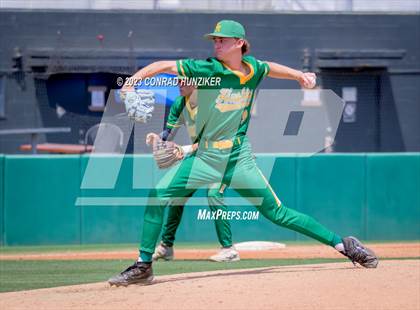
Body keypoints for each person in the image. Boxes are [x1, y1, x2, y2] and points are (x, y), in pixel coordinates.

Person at [109, 20, 378, 287]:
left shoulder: (253, 70)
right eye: (214, 39)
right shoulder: (207, 71)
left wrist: (299, 75)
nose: (216, 43)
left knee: (278, 213)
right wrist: (131, 82)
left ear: (239, 43)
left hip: (238, 159)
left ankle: (344, 245)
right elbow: (162, 66)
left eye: (222, 39)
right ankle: (144, 265)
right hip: (205, 158)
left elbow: (269, 68)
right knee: (157, 195)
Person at [150, 82, 240, 262]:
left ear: (197, 83)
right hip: (199, 157)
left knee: (214, 193)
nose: (179, 83)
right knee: (176, 195)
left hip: (223, 155)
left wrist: (185, 149)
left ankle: (229, 249)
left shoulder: (212, 103)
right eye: (178, 79)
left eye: (184, 80)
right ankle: (166, 246)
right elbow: (169, 132)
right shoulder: (180, 103)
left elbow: (213, 141)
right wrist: (158, 139)